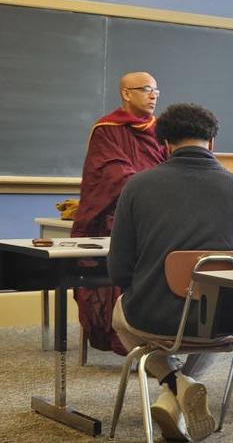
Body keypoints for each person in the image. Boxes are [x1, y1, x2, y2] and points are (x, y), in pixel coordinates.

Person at [109, 102, 233, 441]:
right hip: (224, 322)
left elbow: (119, 269)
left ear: (164, 144)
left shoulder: (138, 186)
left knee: (119, 316)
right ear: (212, 142)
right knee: (207, 325)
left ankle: (174, 385)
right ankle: (180, 389)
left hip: (154, 316)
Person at [71, 72, 166, 354]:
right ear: (126, 93)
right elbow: (108, 173)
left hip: (159, 216)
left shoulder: (163, 130)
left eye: (156, 91)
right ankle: (122, 337)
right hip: (119, 215)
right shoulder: (107, 129)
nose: (153, 96)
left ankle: (157, 336)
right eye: (147, 89)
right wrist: (148, 185)